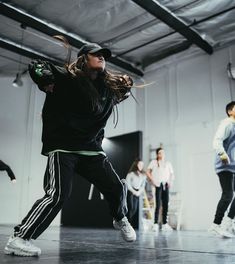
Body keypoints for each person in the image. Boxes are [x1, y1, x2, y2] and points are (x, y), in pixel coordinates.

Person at [4, 42, 136, 257]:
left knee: (116, 187)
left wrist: (126, 85)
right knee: (58, 195)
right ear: (84, 58)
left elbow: (124, 90)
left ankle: (120, 217)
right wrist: (45, 79)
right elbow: (37, 66)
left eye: (104, 55)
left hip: (91, 149)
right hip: (63, 146)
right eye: (97, 54)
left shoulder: (106, 89)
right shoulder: (66, 77)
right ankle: (19, 239)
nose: (102, 57)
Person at [208, 101, 235, 238]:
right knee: (228, 194)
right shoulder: (227, 124)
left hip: (233, 166)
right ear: (230, 111)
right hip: (224, 165)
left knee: (230, 194)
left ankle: (229, 221)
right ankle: (215, 225)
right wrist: (223, 154)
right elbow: (216, 141)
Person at [146, 147, 175, 233]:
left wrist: (170, 182)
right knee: (158, 204)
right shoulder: (153, 162)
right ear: (157, 154)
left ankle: (165, 224)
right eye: (160, 153)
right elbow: (147, 172)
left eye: (163, 152)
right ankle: (155, 223)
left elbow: (172, 174)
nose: (161, 154)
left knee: (165, 204)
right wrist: (153, 181)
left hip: (165, 185)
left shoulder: (168, 163)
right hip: (158, 185)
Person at [125, 158, 146, 226]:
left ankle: (128, 223)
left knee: (135, 208)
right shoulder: (130, 174)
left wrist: (139, 192)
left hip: (137, 192)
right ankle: (128, 224)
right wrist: (133, 191)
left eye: (142, 165)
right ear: (136, 165)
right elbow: (128, 184)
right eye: (139, 164)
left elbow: (143, 185)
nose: (141, 166)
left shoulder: (143, 175)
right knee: (130, 208)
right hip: (131, 192)